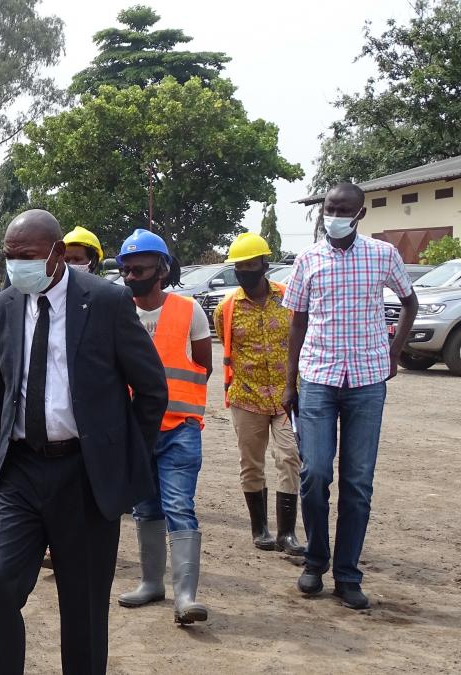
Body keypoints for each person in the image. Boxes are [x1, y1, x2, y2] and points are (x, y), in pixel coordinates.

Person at [0, 210, 167, 674]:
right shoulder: (0, 307)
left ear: (58, 254)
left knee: (82, 607)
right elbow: (1, 393)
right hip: (20, 470)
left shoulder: (105, 301)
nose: (16, 265)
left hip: (83, 474)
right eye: (9, 256)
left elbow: (151, 389)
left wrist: (117, 459)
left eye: (27, 257)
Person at [282, 182, 418, 610]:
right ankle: (315, 562)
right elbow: (297, 324)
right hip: (319, 378)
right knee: (315, 473)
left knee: (357, 483)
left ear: (360, 214)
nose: (334, 214)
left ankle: (347, 574)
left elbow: (409, 302)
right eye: (329, 207)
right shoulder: (307, 259)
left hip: (367, 380)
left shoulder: (382, 255)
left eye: (344, 209)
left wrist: (395, 351)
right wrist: (290, 382)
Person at [116, 229, 213, 626]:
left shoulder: (189, 311)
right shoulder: (117, 310)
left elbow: (202, 366)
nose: (131, 276)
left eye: (139, 268)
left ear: (162, 269)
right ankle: (151, 583)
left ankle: (186, 595)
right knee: (146, 508)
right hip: (135, 432)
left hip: (179, 429)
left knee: (178, 506)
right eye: (126, 269)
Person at [213, 233, 304, 555]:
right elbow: (228, 350)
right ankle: (260, 528)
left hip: (286, 396)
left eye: (251, 265)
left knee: (290, 457)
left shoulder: (289, 299)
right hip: (246, 396)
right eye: (239, 267)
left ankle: (288, 534)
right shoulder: (226, 309)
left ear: (265, 264)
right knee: (251, 464)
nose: (245, 272)